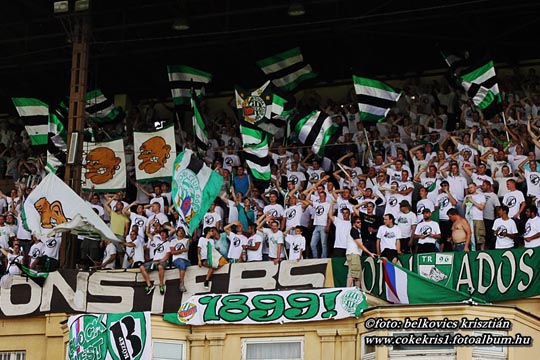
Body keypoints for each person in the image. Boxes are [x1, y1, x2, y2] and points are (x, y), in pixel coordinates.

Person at [141, 228, 172, 295]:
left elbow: (167, 256)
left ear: (167, 235)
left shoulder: (168, 243)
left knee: (160, 267)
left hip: (163, 261)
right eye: (161, 233)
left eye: (164, 233)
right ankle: (149, 285)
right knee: (142, 268)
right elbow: (147, 233)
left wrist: (159, 261)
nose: (162, 234)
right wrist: (149, 224)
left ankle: (161, 285)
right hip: (154, 261)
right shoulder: (157, 241)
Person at [348, 215, 376, 287]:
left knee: (358, 275)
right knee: (353, 274)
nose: (360, 223)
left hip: (356, 254)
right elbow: (359, 245)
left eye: (360, 222)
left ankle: (358, 291)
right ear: (353, 223)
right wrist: (370, 253)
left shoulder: (358, 231)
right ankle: (347, 290)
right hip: (354, 253)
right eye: (358, 222)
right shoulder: (354, 231)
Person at [169, 227, 190, 292]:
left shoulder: (186, 240)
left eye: (182, 231)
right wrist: (181, 251)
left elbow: (187, 248)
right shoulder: (173, 241)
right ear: (176, 233)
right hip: (176, 259)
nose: (181, 232)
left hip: (186, 259)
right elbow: (172, 252)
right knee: (182, 264)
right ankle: (181, 283)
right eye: (179, 231)